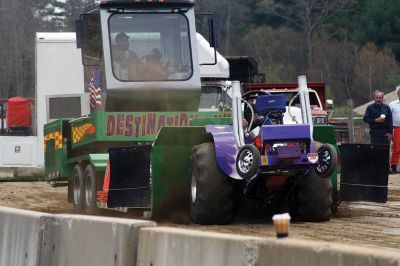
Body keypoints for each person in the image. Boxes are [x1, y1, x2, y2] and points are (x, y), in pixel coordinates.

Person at [363, 90, 393, 173]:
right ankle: (376, 168)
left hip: (385, 133)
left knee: (385, 151)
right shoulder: (370, 107)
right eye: (377, 97)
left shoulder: (386, 107)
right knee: (375, 150)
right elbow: (365, 119)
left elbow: (390, 120)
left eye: (380, 97)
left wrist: (390, 132)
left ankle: (386, 169)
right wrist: (375, 120)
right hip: (374, 132)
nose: (378, 99)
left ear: (382, 98)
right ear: (374, 98)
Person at [389, 86, 400, 173]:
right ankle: (393, 166)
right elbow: (388, 117)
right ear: (398, 94)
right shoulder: (392, 104)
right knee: (397, 148)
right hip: (396, 128)